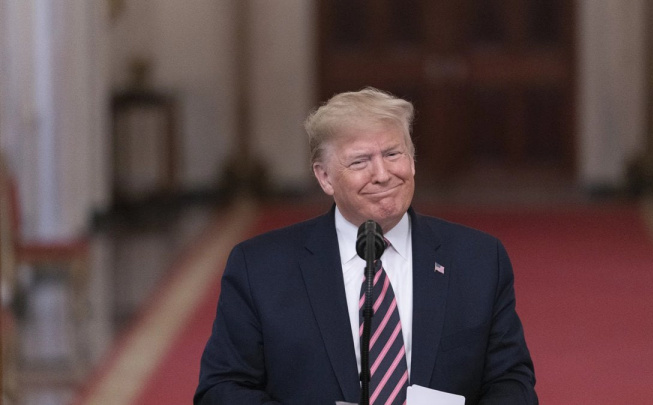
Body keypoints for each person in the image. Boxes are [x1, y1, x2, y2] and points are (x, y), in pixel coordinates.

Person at [195, 88, 537, 404]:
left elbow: (512, 382)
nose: (383, 174)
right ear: (325, 177)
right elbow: (221, 389)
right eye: (360, 161)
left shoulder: (478, 259)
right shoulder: (260, 268)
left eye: (393, 154)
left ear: (412, 160)